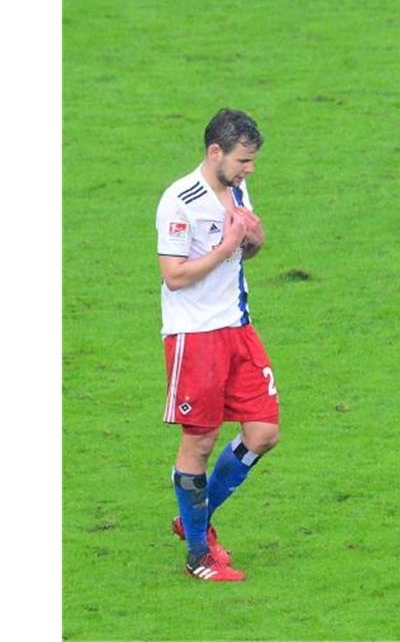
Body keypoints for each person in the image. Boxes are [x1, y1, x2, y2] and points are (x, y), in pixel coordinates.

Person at [155, 108, 280, 581]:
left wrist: (254, 239)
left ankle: (195, 520)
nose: (249, 169)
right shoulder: (179, 201)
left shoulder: (237, 188)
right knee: (200, 440)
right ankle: (198, 557)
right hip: (196, 335)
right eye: (243, 160)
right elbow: (175, 276)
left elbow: (246, 247)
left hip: (238, 327)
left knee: (263, 432)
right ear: (215, 152)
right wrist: (228, 245)